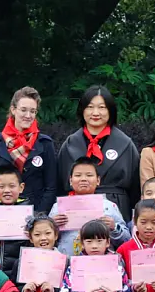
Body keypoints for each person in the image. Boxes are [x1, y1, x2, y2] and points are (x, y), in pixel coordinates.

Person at [56, 85, 142, 216]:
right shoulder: (70, 144)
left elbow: (136, 188)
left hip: (116, 210)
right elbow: (60, 186)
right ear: (82, 110)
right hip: (77, 210)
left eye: (102, 107)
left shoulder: (125, 144)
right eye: (90, 107)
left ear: (110, 111)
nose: (95, 113)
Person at [0, 86, 60, 213]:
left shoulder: (44, 143)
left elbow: (51, 186)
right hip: (0, 215)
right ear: (13, 110)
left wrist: (38, 216)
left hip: (36, 214)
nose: (28, 115)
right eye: (23, 110)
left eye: (32, 111)